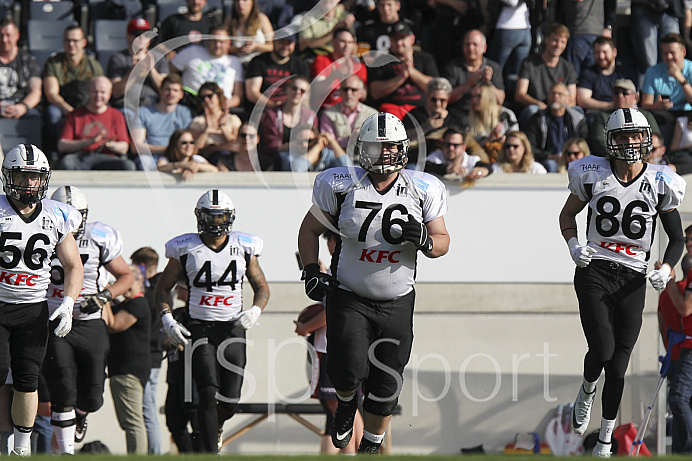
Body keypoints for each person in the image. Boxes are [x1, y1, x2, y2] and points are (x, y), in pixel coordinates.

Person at [297, 112, 450, 454]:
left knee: (386, 385)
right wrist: (310, 270)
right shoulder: (339, 184)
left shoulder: (423, 188)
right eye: (374, 147)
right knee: (347, 368)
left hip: (397, 299)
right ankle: (347, 405)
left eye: (388, 147)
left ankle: (371, 444)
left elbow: (442, 242)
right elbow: (309, 229)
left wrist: (425, 239)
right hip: (349, 294)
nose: (381, 154)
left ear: (401, 149)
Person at [558, 107, 686, 457]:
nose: (631, 143)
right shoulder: (592, 173)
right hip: (595, 269)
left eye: (636, 136)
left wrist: (668, 268)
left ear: (645, 139)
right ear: (610, 141)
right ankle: (586, 390)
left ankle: (605, 440)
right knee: (602, 349)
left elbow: (676, 239)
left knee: (618, 366)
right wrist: (574, 245)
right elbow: (567, 215)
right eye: (624, 136)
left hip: (633, 277)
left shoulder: (660, 182)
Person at [155, 189, 270, 453]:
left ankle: (213, 427)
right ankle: (210, 452)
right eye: (211, 217)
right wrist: (168, 320)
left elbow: (262, 286)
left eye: (221, 217)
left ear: (230, 218)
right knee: (207, 391)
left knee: (230, 399)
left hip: (232, 329)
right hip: (200, 328)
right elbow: (162, 288)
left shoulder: (244, 247)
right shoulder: (185, 247)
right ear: (199, 217)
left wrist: (255, 310)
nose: (216, 223)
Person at [0, 144, 84, 456]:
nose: (28, 184)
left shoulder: (56, 215)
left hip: (32, 309)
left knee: (28, 379)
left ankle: (21, 448)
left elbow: (74, 265)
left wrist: (69, 303)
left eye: (34, 178)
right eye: (22, 176)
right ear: (9, 175)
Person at [44, 186, 134, 455]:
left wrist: (104, 296)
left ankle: (81, 414)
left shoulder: (99, 236)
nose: (74, 223)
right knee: (63, 387)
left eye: (78, 216)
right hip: (55, 319)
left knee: (93, 395)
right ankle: (67, 452)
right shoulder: (41, 231)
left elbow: (126, 277)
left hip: (90, 321)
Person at [294, 230, 363, 454]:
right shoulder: (352, 268)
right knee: (348, 409)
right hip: (354, 346)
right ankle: (357, 454)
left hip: (331, 347)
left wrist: (305, 327)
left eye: (328, 241)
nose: (328, 246)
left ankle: (352, 454)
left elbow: (329, 313)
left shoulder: (340, 269)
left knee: (339, 408)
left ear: (336, 241)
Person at [103, 265, 151, 454]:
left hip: (129, 371)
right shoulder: (128, 304)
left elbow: (114, 325)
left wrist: (104, 296)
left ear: (139, 282)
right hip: (125, 369)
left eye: (130, 282)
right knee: (130, 421)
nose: (125, 286)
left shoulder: (137, 304)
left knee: (132, 422)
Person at [43, 25, 103, 155]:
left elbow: (100, 89)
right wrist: (69, 110)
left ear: (83, 42)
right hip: (62, 105)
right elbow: (51, 93)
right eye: (67, 40)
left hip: (86, 104)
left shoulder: (93, 65)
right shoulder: (54, 62)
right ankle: (55, 152)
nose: (71, 44)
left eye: (75, 40)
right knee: (53, 114)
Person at [658, 226, 692, 454]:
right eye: (687, 240)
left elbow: (683, 309)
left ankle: (685, 448)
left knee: (679, 398)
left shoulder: (670, 292)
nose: (688, 244)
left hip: (682, 351)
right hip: (682, 349)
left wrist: (668, 280)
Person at [130, 247, 166, 455]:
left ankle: (154, 452)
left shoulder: (152, 294)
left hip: (149, 356)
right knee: (146, 407)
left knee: (147, 408)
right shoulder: (161, 291)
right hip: (153, 355)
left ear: (142, 266)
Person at [57, 76, 133, 171]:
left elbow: (124, 147)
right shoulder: (74, 115)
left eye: (103, 92)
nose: (98, 96)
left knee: (128, 166)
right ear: (89, 92)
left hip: (107, 158)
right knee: (67, 163)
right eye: (95, 92)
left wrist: (109, 144)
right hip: (81, 157)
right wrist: (90, 141)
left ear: (109, 94)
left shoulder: (116, 115)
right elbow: (62, 145)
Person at [367, 22, 438, 119]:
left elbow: (435, 89)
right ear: (390, 41)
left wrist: (411, 71)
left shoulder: (425, 58)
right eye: (395, 39)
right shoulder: (381, 60)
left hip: (421, 110)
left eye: (402, 38)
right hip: (391, 110)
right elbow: (375, 92)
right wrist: (401, 77)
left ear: (412, 39)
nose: (399, 43)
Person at [514, 23, 577, 127]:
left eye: (563, 42)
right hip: (538, 107)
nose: (558, 45)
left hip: (560, 109)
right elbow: (520, 94)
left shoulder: (568, 67)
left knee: (577, 112)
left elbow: (572, 100)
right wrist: (538, 104)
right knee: (532, 111)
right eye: (555, 40)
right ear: (546, 39)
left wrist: (558, 108)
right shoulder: (529, 63)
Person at [170, 26, 245, 110]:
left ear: (229, 43)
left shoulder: (235, 62)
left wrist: (227, 103)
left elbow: (238, 95)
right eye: (214, 41)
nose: (218, 45)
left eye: (222, 42)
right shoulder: (191, 52)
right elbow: (168, 70)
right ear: (208, 41)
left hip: (220, 109)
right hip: (191, 105)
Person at [130, 74, 193, 170]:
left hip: (177, 156)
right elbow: (136, 147)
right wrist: (167, 149)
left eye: (175, 90)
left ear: (181, 94)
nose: (171, 93)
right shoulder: (143, 112)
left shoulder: (185, 113)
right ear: (160, 91)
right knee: (144, 162)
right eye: (167, 89)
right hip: (151, 156)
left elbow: (190, 142)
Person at [403, 77, 468, 164]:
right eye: (434, 99)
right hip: (416, 163)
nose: (438, 104)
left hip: (446, 165)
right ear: (427, 96)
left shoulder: (456, 119)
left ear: (448, 98)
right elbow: (403, 140)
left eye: (442, 100)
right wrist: (425, 128)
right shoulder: (414, 115)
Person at [107, 18, 168, 110]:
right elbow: (116, 92)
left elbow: (165, 90)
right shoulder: (117, 58)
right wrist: (133, 72)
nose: (142, 38)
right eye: (137, 35)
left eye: (146, 35)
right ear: (128, 36)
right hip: (126, 105)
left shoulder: (158, 58)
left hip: (153, 105)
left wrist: (152, 70)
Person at [525, 82, 587, 172]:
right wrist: (549, 157)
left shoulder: (577, 119)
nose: (556, 96)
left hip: (571, 157)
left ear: (568, 100)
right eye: (553, 93)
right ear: (548, 97)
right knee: (551, 165)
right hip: (548, 160)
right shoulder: (537, 118)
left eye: (560, 94)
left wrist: (568, 156)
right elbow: (530, 147)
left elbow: (584, 145)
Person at [588, 79, 660, 155]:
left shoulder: (645, 116)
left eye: (625, 93)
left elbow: (656, 139)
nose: (620, 96)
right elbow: (599, 141)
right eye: (616, 92)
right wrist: (619, 156)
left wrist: (640, 155)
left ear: (635, 97)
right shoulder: (602, 116)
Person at [259, 75, 317, 168]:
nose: (297, 92)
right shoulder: (272, 115)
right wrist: (295, 145)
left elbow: (313, 143)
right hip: (277, 160)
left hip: (304, 158)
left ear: (308, 95)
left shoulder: (311, 116)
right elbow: (271, 148)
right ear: (287, 90)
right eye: (294, 88)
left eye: (302, 91)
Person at [442, 29, 505, 115]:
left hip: (486, 114)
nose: (471, 48)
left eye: (475, 45)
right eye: (467, 44)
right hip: (459, 113)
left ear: (484, 48)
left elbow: (500, 100)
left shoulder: (493, 67)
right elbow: (445, 99)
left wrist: (488, 83)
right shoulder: (453, 67)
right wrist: (467, 84)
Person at [244, 31, 309, 110]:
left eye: (289, 43)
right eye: (282, 42)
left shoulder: (300, 65)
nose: (285, 46)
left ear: (294, 44)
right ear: (274, 41)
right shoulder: (258, 61)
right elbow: (252, 93)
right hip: (261, 111)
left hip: (290, 110)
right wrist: (273, 106)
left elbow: (305, 93)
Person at [576, 37, 637, 114]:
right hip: (597, 114)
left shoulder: (626, 73)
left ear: (614, 52)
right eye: (597, 53)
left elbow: (635, 97)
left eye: (605, 52)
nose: (601, 56)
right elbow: (583, 100)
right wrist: (612, 105)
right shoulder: (587, 73)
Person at [310, 28, 367, 110]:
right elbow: (317, 92)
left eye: (350, 42)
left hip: (349, 110)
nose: (347, 46)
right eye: (343, 41)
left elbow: (363, 96)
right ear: (333, 42)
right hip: (325, 108)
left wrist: (351, 79)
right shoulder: (322, 60)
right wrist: (333, 76)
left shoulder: (359, 67)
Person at [320, 75, 377, 149]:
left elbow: (376, 142)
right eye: (345, 89)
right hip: (337, 157)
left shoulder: (372, 114)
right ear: (340, 91)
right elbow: (328, 144)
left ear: (361, 93)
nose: (349, 93)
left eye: (354, 90)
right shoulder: (328, 114)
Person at [466, 81, 518, 163]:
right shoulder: (469, 119)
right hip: (479, 161)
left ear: (488, 97)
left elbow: (517, 142)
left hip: (505, 160)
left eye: (478, 96)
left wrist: (500, 138)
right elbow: (469, 149)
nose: (474, 100)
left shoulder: (506, 115)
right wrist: (490, 139)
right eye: (472, 97)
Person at [0, 18, 41, 120]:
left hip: (20, 105)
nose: (4, 40)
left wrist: (23, 107)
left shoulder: (28, 60)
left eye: (8, 35)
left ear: (17, 36)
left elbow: (35, 91)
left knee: (34, 116)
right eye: (1, 36)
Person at [189, 81, 242, 160]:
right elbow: (195, 149)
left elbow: (236, 145)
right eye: (202, 98)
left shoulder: (233, 119)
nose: (206, 100)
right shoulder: (198, 121)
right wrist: (206, 130)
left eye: (209, 96)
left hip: (228, 158)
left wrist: (222, 127)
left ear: (218, 96)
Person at [424, 126, 491, 180]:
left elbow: (488, 167)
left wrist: (483, 171)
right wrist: (448, 169)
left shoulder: (472, 161)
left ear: (463, 147)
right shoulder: (435, 158)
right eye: (448, 144)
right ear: (442, 145)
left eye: (455, 145)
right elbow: (425, 166)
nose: (451, 148)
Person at [475, 130, 547, 177]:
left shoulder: (536, 169)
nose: (511, 149)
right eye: (508, 146)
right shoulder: (496, 168)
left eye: (515, 146)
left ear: (525, 149)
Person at [281, 124, 351, 172]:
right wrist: (318, 147)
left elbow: (348, 168)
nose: (305, 145)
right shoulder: (289, 157)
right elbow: (297, 169)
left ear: (316, 139)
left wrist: (332, 141)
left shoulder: (328, 155)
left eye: (309, 141)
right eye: (300, 142)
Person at [225, 0, 274, 65]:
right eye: (237, 1)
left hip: (259, 64)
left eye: (245, 0)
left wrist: (256, 46)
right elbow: (223, 48)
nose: (240, 3)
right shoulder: (229, 20)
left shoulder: (262, 19)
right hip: (236, 64)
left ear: (252, 2)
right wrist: (239, 49)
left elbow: (272, 47)